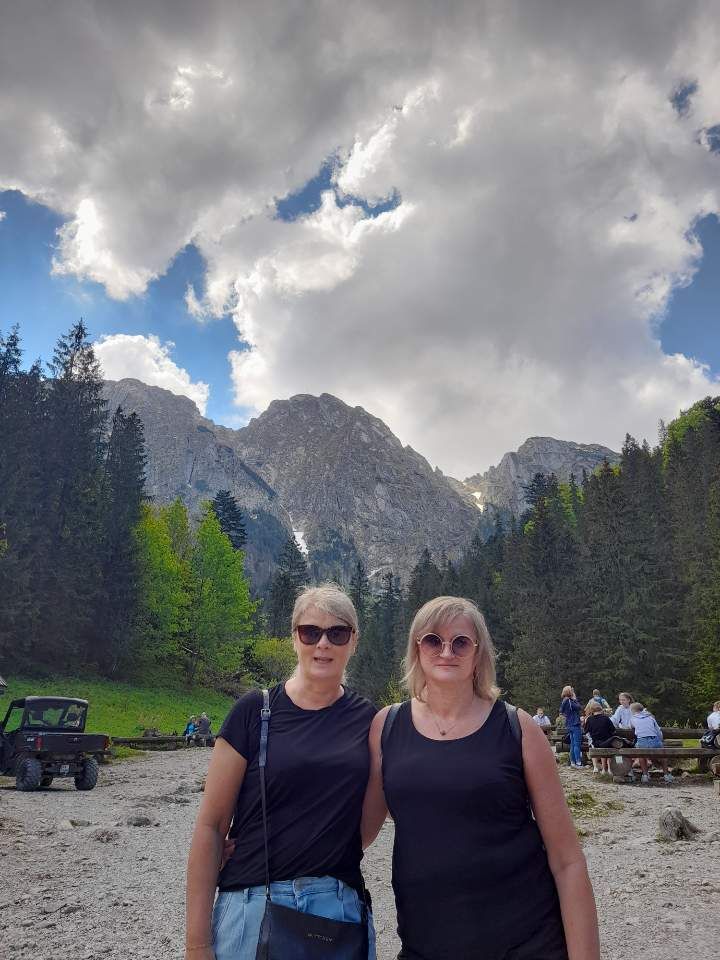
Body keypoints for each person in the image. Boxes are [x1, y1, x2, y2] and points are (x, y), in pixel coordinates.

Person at [362, 596, 600, 960]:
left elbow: (567, 860)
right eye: (433, 640)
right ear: (417, 649)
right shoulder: (387, 726)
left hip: (528, 944)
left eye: (460, 642)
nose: (446, 651)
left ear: (478, 654)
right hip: (426, 945)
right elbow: (358, 834)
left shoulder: (517, 727)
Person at [185, 584, 377, 960]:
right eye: (310, 632)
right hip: (251, 906)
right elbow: (211, 825)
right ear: (294, 638)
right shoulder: (253, 711)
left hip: (336, 907)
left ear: (354, 641)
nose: (323, 644)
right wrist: (196, 944)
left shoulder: (370, 721)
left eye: (337, 633)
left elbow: (364, 827)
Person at [629, 702, 672, 784]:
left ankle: (645, 775)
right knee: (663, 756)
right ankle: (666, 775)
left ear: (632, 711)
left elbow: (630, 726)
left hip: (642, 741)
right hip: (654, 740)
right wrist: (660, 741)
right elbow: (658, 731)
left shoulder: (633, 719)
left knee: (641, 755)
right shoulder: (651, 717)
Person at [583, 703, 616, 774]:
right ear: (601, 709)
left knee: (598, 749)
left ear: (592, 710)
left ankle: (601, 769)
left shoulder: (589, 719)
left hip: (595, 742)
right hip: (606, 741)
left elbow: (586, 731)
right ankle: (609, 769)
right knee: (608, 751)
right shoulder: (606, 718)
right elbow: (613, 729)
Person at [560, 685, 584, 768]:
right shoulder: (570, 701)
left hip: (569, 724)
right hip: (575, 724)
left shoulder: (564, 701)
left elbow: (561, 711)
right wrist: (575, 699)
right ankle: (578, 762)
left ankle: (572, 762)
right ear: (570, 692)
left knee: (572, 744)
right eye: (572, 691)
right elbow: (579, 707)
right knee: (577, 744)